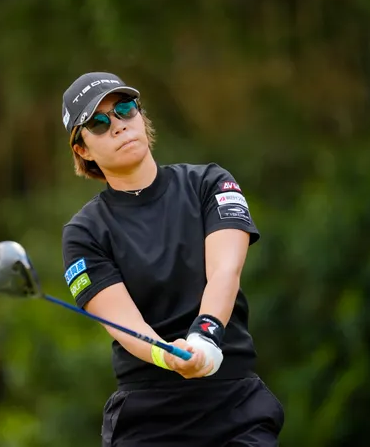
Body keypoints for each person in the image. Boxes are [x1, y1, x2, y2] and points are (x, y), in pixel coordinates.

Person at [60, 71, 284, 446]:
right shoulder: (84, 233)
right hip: (148, 415)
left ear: (140, 115)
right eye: (98, 123)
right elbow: (125, 325)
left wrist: (206, 335)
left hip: (234, 405)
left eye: (125, 109)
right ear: (83, 150)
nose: (118, 125)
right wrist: (170, 356)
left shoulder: (210, 183)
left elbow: (225, 270)